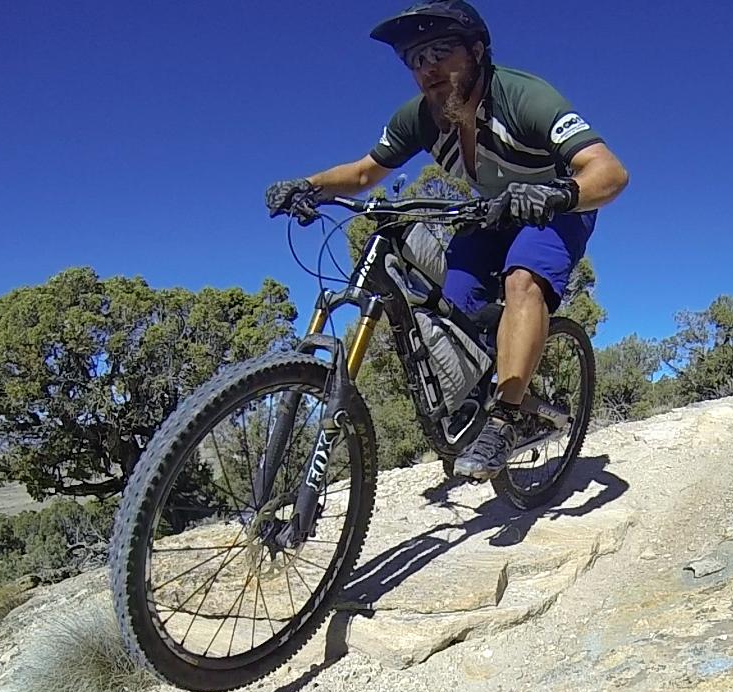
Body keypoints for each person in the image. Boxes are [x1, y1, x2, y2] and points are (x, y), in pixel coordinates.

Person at [266, 1, 629, 480]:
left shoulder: (523, 98)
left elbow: (611, 172)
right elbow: (362, 173)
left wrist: (556, 194)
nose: (427, 68)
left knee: (523, 281)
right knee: (448, 307)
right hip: (490, 214)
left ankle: (506, 416)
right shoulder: (419, 118)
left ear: (477, 50)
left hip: (555, 209)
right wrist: (309, 185)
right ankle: (481, 386)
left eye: (440, 51)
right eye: (415, 60)